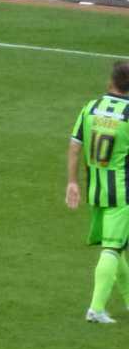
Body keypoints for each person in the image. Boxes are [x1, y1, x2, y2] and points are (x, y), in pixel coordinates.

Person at [67, 61, 129, 323]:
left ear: (110, 82)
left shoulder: (90, 107)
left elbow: (74, 145)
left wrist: (72, 181)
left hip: (96, 190)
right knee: (113, 249)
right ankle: (96, 308)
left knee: (116, 245)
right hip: (123, 193)